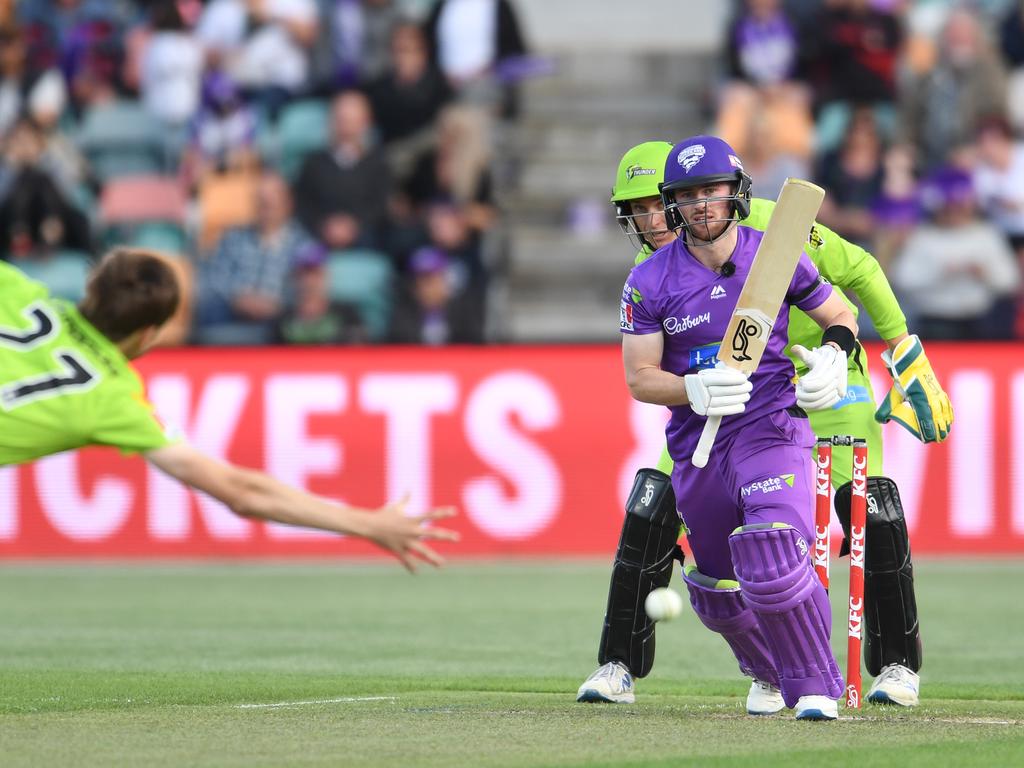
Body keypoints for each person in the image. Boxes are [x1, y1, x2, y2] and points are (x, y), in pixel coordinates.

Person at [578, 137, 952, 716]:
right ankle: (621, 665)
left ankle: (898, 664)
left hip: (823, 380)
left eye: (654, 204)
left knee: (867, 503)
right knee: (653, 502)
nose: (649, 221)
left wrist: (903, 352)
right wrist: (693, 391)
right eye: (641, 209)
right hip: (722, 406)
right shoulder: (653, 270)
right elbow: (645, 369)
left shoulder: (772, 226)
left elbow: (860, 271)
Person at [0, 248, 458, 572]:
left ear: (91, 287)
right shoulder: (114, 399)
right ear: (148, 335)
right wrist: (368, 523)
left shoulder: (17, 289)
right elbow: (243, 492)